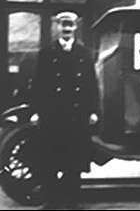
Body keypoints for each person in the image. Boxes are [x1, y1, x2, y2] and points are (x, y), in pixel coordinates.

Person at [30, 11, 99, 209]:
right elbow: (38, 84)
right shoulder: (47, 53)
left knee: (74, 161)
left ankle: (72, 202)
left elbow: (91, 85)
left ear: (76, 28)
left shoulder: (83, 53)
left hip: (77, 116)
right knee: (50, 160)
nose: (67, 29)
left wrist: (93, 111)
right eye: (63, 25)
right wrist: (35, 111)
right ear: (57, 27)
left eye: (70, 25)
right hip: (53, 115)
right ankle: (51, 201)